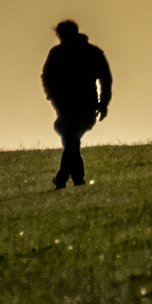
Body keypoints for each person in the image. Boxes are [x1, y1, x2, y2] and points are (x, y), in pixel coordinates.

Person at [40, 20, 112, 189]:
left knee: (71, 141)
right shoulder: (92, 52)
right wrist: (103, 103)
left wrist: (52, 96)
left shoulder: (58, 53)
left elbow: (46, 77)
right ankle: (70, 179)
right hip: (81, 104)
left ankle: (67, 179)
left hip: (70, 105)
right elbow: (106, 79)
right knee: (72, 140)